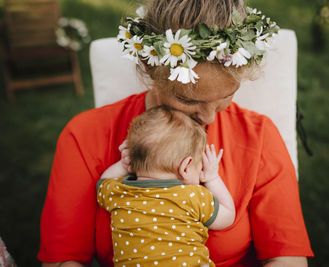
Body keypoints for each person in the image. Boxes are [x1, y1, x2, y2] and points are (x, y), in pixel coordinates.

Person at [39, 0, 314, 266]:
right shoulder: (86, 135)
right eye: (188, 100)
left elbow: (286, 256)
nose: (208, 119)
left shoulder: (260, 136)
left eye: (225, 97)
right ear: (150, 69)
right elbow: (65, 258)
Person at [97, 106, 235, 267]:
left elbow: (102, 183)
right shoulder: (193, 195)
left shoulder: (120, 192)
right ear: (186, 167)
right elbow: (228, 215)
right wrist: (212, 178)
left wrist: (123, 165)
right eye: (199, 167)